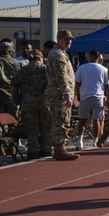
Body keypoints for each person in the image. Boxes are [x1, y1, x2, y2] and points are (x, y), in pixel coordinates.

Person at [45, 29, 79, 161]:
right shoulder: (58, 55)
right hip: (59, 96)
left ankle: (60, 148)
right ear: (58, 39)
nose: (68, 41)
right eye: (66, 39)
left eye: (70, 39)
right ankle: (59, 149)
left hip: (58, 95)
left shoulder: (61, 53)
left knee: (61, 121)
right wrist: (67, 96)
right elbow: (62, 77)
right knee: (60, 122)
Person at [9, 50, 49, 159]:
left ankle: (33, 150)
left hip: (28, 102)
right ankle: (47, 149)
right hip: (44, 101)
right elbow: (53, 84)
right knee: (46, 127)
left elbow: (13, 85)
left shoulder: (22, 70)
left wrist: (17, 99)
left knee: (31, 128)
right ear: (40, 58)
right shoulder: (45, 69)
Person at [71, 50, 109, 151]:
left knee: (83, 119)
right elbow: (107, 85)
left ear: (89, 56)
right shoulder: (104, 69)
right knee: (97, 119)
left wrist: (77, 94)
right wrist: (107, 97)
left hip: (86, 96)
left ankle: (80, 141)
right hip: (99, 96)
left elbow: (77, 82)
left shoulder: (82, 68)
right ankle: (95, 140)